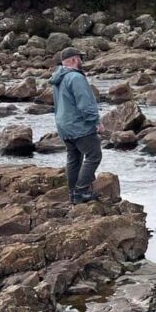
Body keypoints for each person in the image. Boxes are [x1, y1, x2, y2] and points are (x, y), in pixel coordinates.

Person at [49, 47, 104, 204]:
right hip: (78, 125)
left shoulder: (57, 78)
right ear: (74, 60)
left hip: (64, 125)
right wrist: (96, 122)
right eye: (80, 58)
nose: (82, 61)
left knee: (74, 158)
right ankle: (81, 191)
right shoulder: (75, 77)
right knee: (94, 155)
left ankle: (73, 193)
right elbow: (85, 103)